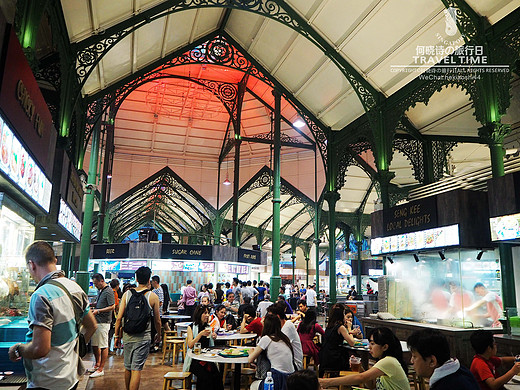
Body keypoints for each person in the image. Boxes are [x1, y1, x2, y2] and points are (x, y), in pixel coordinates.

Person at [9, 241, 97, 390]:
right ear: (54, 260)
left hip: (47, 381)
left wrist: (18, 348)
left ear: (32, 265)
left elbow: (40, 349)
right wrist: (73, 349)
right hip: (70, 377)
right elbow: (92, 326)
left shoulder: (41, 295)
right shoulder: (74, 287)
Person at [114, 266, 162, 390]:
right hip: (143, 337)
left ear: (136, 278)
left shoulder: (127, 294)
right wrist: (159, 334)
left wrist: (116, 336)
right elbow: (157, 320)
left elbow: (119, 318)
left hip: (128, 335)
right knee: (136, 369)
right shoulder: (153, 297)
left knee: (128, 367)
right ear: (149, 280)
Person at [319, 327, 409, 390]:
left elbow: (361, 378)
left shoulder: (389, 361)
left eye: (373, 344)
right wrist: (361, 368)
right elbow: (371, 385)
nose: (369, 347)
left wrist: (326, 382)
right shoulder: (382, 361)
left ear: (385, 347)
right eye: (370, 343)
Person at [407, 328, 479, 389]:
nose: (411, 361)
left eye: (414, 356)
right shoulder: (461, 370)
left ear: (432, 361)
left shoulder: (446, 385)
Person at [248, 313, 297, 390]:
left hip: (278, 378)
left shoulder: (266, 339)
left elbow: (250, 359)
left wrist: (250, 352)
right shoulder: (284, 338)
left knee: (253, 385)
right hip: (291, 377)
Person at [183, 305, 223, 390]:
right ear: (199, 314)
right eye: (205, 313)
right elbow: (190, 345)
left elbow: (210, 344)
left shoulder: (208, 327)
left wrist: (213, 336)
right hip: (195, 359)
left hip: (207, 358)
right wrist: (200, 334)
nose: (207, 315)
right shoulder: (191, 327)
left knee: (217, 376)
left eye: (208, 313)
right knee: (206, 377)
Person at [90, 273, 116, 378]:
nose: (95, 285)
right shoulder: (100, 291)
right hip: (97, 321)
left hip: (104, 322)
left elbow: (112, 306)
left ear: (101, 281)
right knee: (95, 344)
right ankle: (97, 364)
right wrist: (93, 305)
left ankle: (101, 369)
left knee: (103, 345)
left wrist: (98, 311)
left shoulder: (109, 291)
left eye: (96, 283)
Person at [318, 303, 355, 377]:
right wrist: (349, 328)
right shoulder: (340, 327)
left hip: (325, 358)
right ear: (341, 315)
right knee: (351, 358)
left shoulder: (330, 326)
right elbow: (352, 343)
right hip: (334, 359)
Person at [268, 301, 303, 370]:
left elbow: (278, 345)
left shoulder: (288, 326)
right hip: (283, 361)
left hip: (294, 365)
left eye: (270, 317)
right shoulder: (278, 327)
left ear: (277, 317)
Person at [150, 275, 164, 350]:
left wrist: (154, 307)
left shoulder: (159, 290)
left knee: (155, 329)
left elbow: (160, 302)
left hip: (156, 314)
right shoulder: (154, 290)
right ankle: (152, 344)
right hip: (153, 313)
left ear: (155, 282)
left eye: (152, 282)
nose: (151, 283)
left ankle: (155, 345)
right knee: (152, 330)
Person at [109, 278, 122, 354]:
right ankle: (110, 348)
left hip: (109, 314)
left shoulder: (109, 291)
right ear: (117, 286)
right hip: (112, 315)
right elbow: (116, 306)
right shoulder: (114, 293)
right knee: (112, 332)